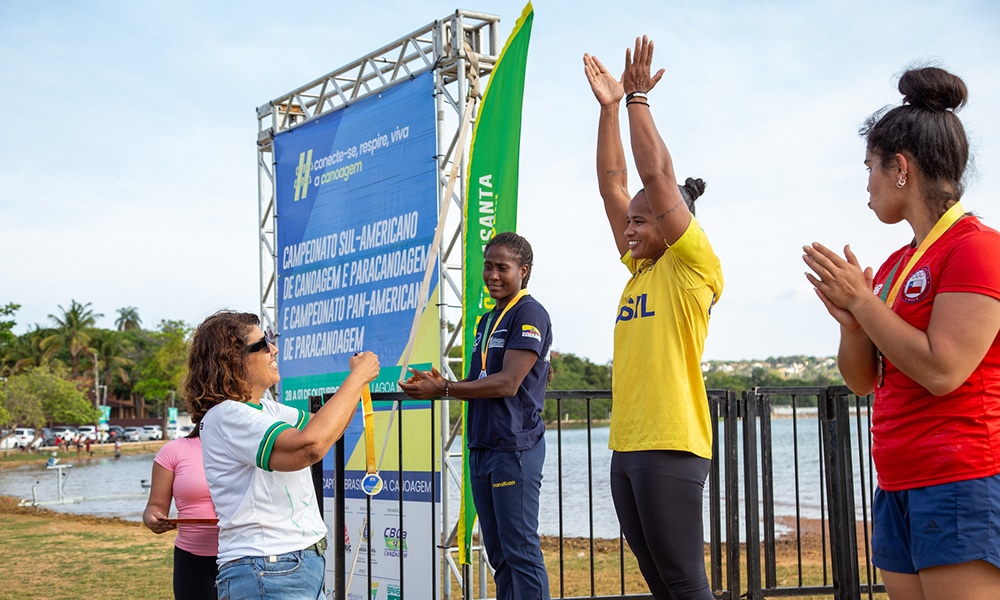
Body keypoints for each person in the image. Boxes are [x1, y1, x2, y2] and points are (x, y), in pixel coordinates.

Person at [803, 66, 1000, 599]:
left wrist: (865, 303)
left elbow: (944, 369)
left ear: (900, 169)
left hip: (960, 477)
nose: (866, 182)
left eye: (870, 166)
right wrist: (853, 322)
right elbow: (864, 380)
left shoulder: (975, 246)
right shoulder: (895, 264)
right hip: (897, 481)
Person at [583, 36, 723, 600]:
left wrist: (638, 100)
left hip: (672, 443)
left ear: (673, 221)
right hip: (629, 443)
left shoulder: (692, 267)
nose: (631, 227)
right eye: (630, 222)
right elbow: (613, 185)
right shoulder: (639, 272)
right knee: (660, 583)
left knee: (687, 582)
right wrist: (610, 110)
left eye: (643, 221)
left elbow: (655, 176)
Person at [400, 231, 552, 600]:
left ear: (523, 271)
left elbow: (508, 383)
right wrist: (441, 382)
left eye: (503, 267)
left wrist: (446, 390)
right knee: (499, 554)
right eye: (488, 266)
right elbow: (479, 380)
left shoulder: (529, 313)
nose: (493, 275)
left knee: (521, 552)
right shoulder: (487, 320)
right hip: (482, 447)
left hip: (514, 448)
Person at [186, 310, 379, 600]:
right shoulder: (228, 415)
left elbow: (330, 430)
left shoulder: (266, 408)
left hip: (288, 566)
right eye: (263, 344)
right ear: (232, 360)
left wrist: (358, 383)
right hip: (267, 568)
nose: (273, 349)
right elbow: (310, 447)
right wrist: (356, 377)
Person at [143, 428, 220, 599]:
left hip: (242, 557)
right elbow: (154, 506)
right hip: (191, 559)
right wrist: (153, 518)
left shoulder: (247, 447)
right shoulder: (174, 450)